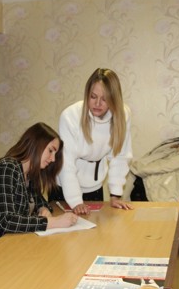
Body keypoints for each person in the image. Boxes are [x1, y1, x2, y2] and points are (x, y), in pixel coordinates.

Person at [0, 122, 78, 247]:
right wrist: (53, 222)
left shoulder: (29, 174)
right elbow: (7, 221)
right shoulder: (7, 169)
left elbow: (41, 202)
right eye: (50, 151)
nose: (53, 159)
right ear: (36, 144)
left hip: (12, 242)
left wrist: (43, 209)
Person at [53, 68, 133, 214]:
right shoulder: (70, 116)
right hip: (64, 187)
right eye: (93, 96)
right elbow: (66, 163)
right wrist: (76, 201)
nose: (97, 103)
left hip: (94, 186)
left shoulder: (122, 115)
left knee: (97, 226)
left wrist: (115, 195)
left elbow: (120, 156)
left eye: (104, 99)